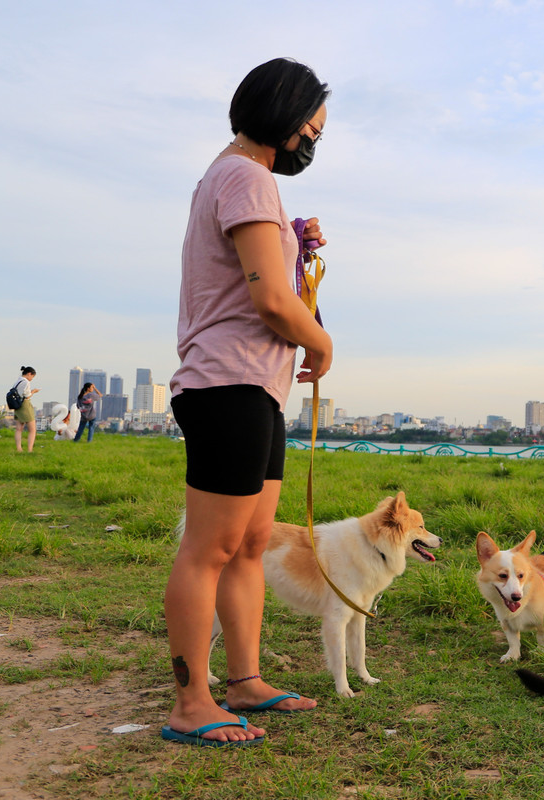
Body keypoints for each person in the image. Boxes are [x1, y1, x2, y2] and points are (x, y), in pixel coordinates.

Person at [162, 57, 333, 748]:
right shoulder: (246, 176)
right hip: (226, 383)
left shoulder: (235, 178)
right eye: (311, 129)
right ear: (284, 119)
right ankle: (190, 702)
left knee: (251, 544)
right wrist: (322, 342)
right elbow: (267, 300)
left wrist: (298, 250)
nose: (313, 143)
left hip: (254, 386)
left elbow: (265, 283)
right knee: (211, 548)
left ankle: (244, 681)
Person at [12, 366, 40, 453]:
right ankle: (30, 449)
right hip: (25, 405)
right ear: (29, 374)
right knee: (32, 429)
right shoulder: (26, 382)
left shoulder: (17, 381)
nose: (32, 379)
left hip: (17, 405)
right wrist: (33, 391)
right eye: (32, 376)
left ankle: (19, 449)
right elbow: (27, 395)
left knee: (19, 428)